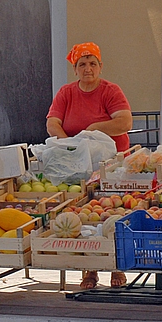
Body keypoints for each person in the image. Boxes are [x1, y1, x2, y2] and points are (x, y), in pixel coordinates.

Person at [46, 42, 134, 290]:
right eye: (82, 64)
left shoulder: (110, 91)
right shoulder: (66, 93)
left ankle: (116, 266)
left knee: (111, 214)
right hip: (78, 166)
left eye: (92, 63)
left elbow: (124, 122)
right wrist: (70, 146)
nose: (88, 69)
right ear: (75, 69)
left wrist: (94, 129)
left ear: (100, 67)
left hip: (112, 166)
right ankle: (90, 271)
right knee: (85, 215)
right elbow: (53, 123)